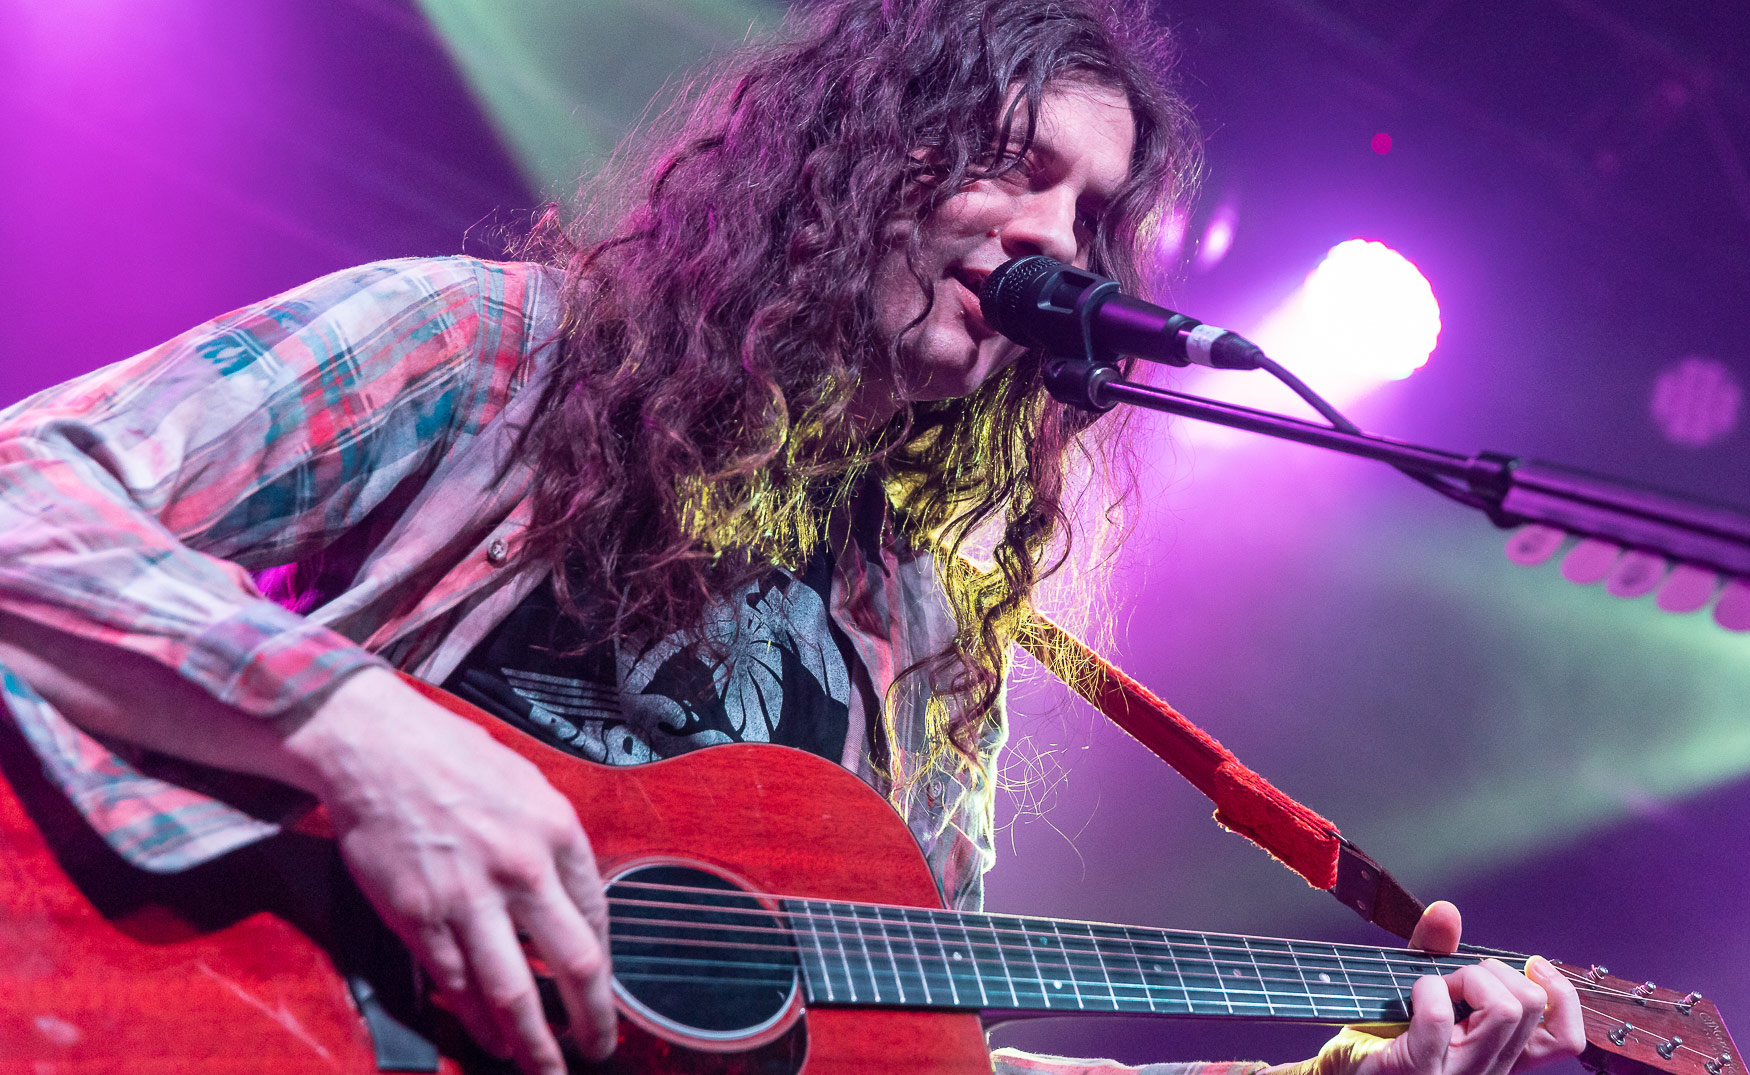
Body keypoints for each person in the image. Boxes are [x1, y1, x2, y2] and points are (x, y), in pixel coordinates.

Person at [0, 1, 1586, 1073]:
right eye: (1018, 167)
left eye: (1094, 214)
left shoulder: (923, 624)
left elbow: (925, 1055)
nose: (1056, 237)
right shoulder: (487, 352)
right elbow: (25, 497)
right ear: (857, 159)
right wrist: (368, 738)